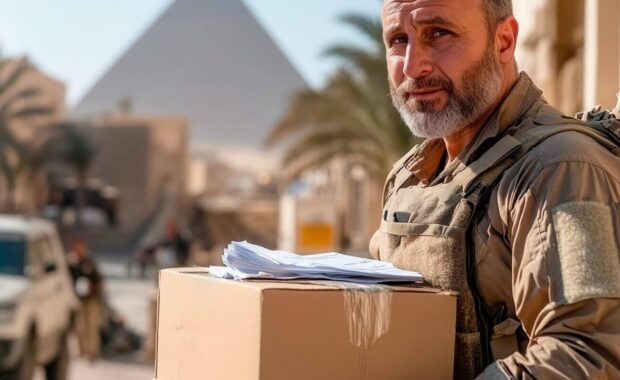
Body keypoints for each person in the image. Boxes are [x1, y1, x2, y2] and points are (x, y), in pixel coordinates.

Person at [369, 0, 620, 378]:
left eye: (438, 34)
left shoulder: (564, 169)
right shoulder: (410, 175)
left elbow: (587, 353)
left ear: (503, 41)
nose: (412, 66)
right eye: (398, 39)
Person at [67, 239, 104, 362]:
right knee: (79, 326)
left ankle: (92, 351)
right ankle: (82, 350)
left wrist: (95, 291)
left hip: (91, 299)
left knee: (92, 326)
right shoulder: (71, 263)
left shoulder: (90, 263)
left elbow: (98, 280)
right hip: (78, 299)